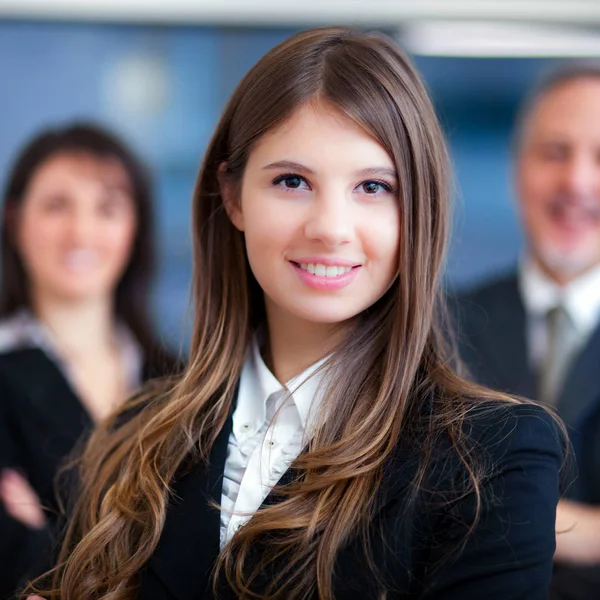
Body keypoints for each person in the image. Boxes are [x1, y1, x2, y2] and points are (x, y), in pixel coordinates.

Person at [25, 28, 563, 600]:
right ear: (232, 197)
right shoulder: (135, 437)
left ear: (419, 210)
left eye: (374, 187)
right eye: (291, 181)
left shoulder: (494, 458)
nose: (330, 228)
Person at [0, 123, 179, 599]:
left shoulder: (183, 379)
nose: (81, 231)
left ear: (134, 227)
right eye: (57, 206)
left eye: (107, 208)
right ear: (15, 220)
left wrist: (47, 539)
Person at [456, 64, 600, 600]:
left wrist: (500, 515)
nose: (577, 183)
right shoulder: (440, 327)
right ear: (518, 170)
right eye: (555, 153)